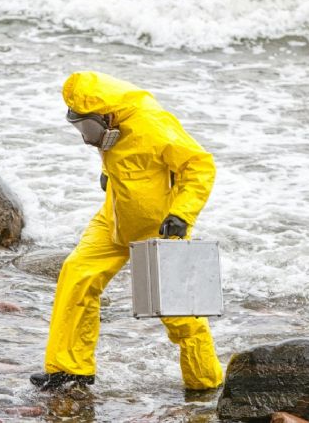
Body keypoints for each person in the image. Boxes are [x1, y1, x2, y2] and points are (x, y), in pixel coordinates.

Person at [30, 71, 223, 391]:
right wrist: (107, 172)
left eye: (88, 128)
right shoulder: (109, 123)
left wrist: (182, 214)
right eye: (79, 126)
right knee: (77, 275)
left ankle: (205, 381)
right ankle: (70, 368)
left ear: (107, 115)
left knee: (179, 313)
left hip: (159, 229)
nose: (86, 137)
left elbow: (200, 165)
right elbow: (125, 155)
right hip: (113, 218)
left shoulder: (153, 124)